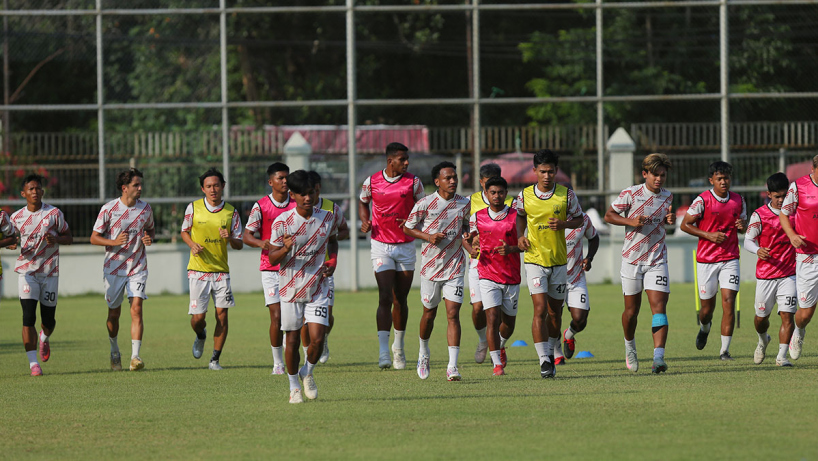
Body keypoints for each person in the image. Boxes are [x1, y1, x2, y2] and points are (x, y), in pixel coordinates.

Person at [268, 170, 339, 404]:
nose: (308, 198)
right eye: (302, 194)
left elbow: (334, 239)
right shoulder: (282, 222)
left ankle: (307, 372)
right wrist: (285, 249)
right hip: (290, 288)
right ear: (293, 195)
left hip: (318, 286)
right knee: (293, 340)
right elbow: (272, 258)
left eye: (311, 193)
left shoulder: (328, 217)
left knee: (318, 338)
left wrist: (332, 262)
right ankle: (293, 387)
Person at [604, 153, 675, 374]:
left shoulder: (668, 197)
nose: (659, 179)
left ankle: (658, 358)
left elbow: (662, 222)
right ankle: (630, 346)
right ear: (645, 174)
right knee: (631, 312)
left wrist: (668, 221)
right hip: (632, 260)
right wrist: (630, 221)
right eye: (655, 175)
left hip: (657, 259)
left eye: (663, 175)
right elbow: (608, 215)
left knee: (659, 307)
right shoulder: (630, 194)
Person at [516, 149, 583, 379]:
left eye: (551, 171)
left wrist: (564, 224)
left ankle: (553, 349)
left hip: (558, 261)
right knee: (540, 309)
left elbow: (580, 219)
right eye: (542, 171)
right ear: (535, 171)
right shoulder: (524, 195)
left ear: (556, 171)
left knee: (555, 314)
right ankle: (544, 359)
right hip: (534, 259)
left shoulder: (566, 195)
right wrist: (520, 235)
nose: (547, 176)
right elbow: (520, 215)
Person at [359, 142, 424, 369]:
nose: (407, 163)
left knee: (401, 299)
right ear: (390, 161)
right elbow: (363, 201)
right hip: (380, 245)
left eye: (408, 159)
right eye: (402, 159)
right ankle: (383, 352)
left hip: (405, 246)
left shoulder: (414, 183)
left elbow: (423, 208)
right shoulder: (372, 181)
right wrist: (364, 221)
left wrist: (413, 221)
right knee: (385, 295)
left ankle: (399, 347)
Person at [403, 161, 471, 381]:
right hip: (431, 268)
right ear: (437, 181)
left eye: (454, 177)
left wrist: (469, 235)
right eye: (448, 178)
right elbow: (407, 227)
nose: (453, 181)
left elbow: (467, 226)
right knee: (429, 314)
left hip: (455, 266)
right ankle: (423, 351)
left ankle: (452, 366)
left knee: (453, 314)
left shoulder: (464, 203)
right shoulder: (425, 203)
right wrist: (428, 237)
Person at [90, 168, 155, 371]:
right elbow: (94, 237)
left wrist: (149, 238)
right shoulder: (109, 209)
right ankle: (114, 349)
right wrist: (114, 241)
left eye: (140, 184)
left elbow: (151, 228)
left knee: (136, 308)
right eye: (136, 185)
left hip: (137, 267)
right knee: (114, 315)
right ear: (124, 188)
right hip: (114, 269)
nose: (140, 188)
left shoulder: (145, 209)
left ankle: (135, 357)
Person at [681, 161, 747, 360]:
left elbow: (742, 227)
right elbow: (685, 225)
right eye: (719, 178)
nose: (723, 182)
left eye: (726, 178)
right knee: (707, 310)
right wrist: (709, 235)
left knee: (729, 301)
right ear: (712, 180)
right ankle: (704, 327)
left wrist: (743, 225)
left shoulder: (739, 200)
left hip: (730, 259)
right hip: (706, 260)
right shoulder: (702, 200)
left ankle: (724, 351)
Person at [180, 168, 243, 371]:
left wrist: (230, 238)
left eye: (216, 185)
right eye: (208, 186)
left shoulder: (231, 212)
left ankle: (215, 360)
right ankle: (200, 335)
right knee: (198, 319)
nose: (213, 189)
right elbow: (184, 231)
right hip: (198, 271)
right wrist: (192, 245)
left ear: (223, 186)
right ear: (203, 189)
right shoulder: (193, 208)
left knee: (222, 315)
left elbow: (239, 243)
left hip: (221, 272)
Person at [11, 174, 73, 376]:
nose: (35, 192)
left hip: (49, 272)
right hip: (27, 272)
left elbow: (69, 237)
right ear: (23, 194)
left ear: (42, 192)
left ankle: (44, 339)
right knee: (28, 317)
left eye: (38, 188)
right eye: (30, 189)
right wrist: (11, 243)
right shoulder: (16, 218)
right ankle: (33, 364)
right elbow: (10, 239)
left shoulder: (54, 213)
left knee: (49, 321)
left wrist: (56, 238)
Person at [242, 162, 295, 375]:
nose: (285, 182)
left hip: (293, 267)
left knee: (293, 317)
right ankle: (277, 363)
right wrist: (260, 243)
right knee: (276, 316)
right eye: (280, 178)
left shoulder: (296, 204)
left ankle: (298, 355)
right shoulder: (261, 206)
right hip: (270, 268)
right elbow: (247, 235)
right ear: (270, 182)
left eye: (286, 178)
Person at [467, 176, 521, 376]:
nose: (496, 196)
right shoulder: (477, 216)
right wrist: (472, 247)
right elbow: (468, 238)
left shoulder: (517, 216)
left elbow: (528, 244)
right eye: (493, 192)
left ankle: (502, 344)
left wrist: (512, 249)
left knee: (508, 324)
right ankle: (496, 364)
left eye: (500, 192)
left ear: (506, 194)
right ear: (486, 194)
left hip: (511, 276)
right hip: (487, 273)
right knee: (491, 317)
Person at [744, 172, 796, 366]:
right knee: (761, 318)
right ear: (769, 194)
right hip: (766, 275)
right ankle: (763, 339)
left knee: (787, 314)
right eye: (777, 196)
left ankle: (782, 357)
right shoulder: (760, 215)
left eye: (784, 195)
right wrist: (758, 250)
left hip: (790, 274)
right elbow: (748, 241)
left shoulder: (796, 213)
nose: (782, 200)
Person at [300, 170, 349, 365]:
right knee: (303, 320)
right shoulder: (297, 210)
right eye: (310, 191)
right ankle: (307, 354)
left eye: (316, 190)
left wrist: (332, 236)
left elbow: (343, 231)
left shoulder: (331, 209)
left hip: (324, 271)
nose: (313, 196)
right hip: (301, 273)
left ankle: (324, 339)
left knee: (327, 315)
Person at [780, 155, 818, 360]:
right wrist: (792, 235)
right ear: (813, 168)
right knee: (805, 314)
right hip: (808, 256)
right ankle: (799, 331)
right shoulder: (799, 187)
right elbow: (784, 214)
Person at [554, 212, 600, 365]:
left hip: (576, 277)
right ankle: (557, 354)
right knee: (554, 317)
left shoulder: (583, 219)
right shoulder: (547, 218)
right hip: (553, 278)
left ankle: (569, 335)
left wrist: (589, 258)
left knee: (580, 319)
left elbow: (593, 238)